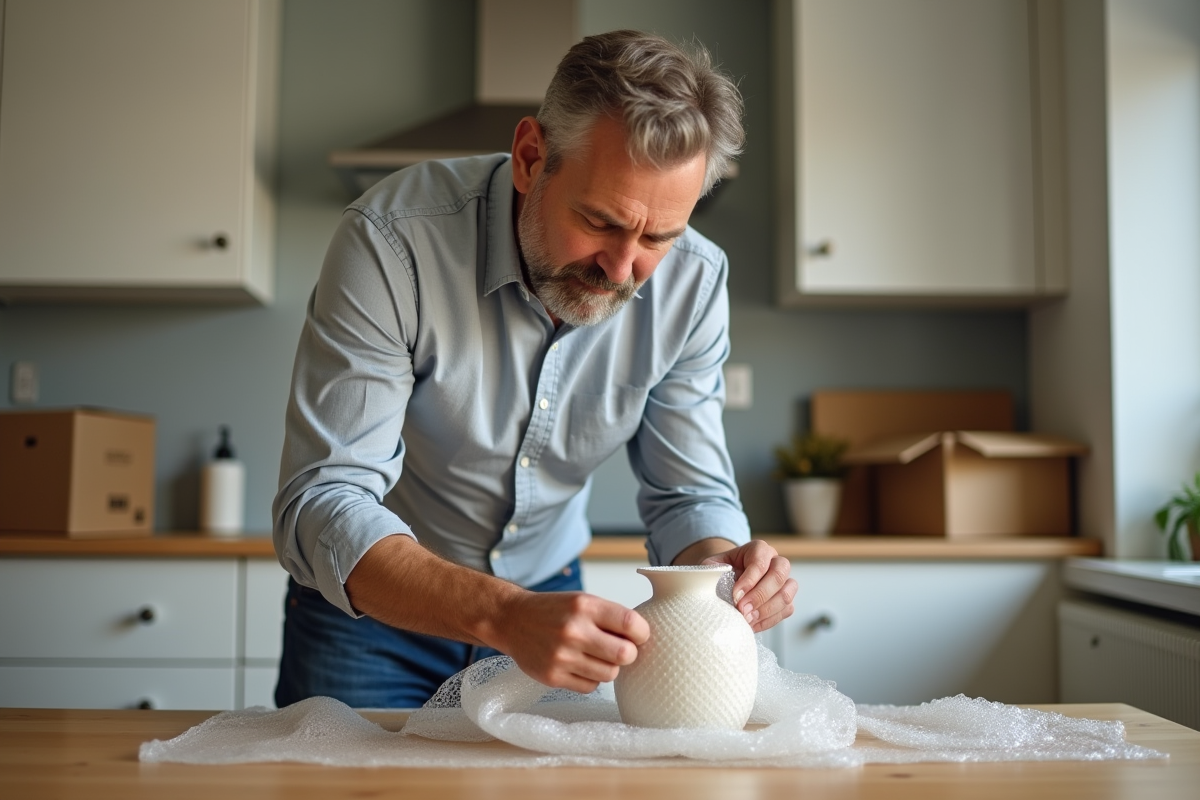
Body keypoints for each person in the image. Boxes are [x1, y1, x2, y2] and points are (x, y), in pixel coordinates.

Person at [272, 29, 798, 709]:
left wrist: (722, 566)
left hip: (547, 599)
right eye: (600, 221)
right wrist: (501, 614)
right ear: (529, 158)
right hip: (372, 614)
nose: (622, 269)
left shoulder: (695, 283)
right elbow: (325, 500)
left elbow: (688, 495)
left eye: (658, 237)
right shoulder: (393, 242)